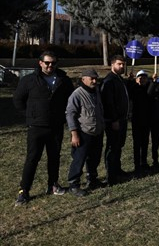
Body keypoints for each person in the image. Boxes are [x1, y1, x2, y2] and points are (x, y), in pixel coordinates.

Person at [13, 51, 74, 206]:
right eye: (47, 63)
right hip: (36, 127)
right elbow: (18, 100)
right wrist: (30, 116)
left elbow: (70, 100)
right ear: (40, 63)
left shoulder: (64, 80)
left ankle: (53, 185)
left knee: (54, 157)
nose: (50, 66)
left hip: (55, 126)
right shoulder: (29, 80)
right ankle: (24, 191)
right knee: (32, 159)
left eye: (53, 63)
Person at [65, 69, 104, 196]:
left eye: (95, 78)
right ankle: (73, 184)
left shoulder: (96, 92)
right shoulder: (77, 94)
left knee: (95, 157)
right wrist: (74, 134)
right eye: (91, 78)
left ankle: (92, 179)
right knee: (79, 159)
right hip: (83, 132)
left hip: (97, 131)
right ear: (83, 79)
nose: (94, 81)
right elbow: (70, 115)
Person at [101, 55, 130, 185]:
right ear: (112, 65)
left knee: (119, 145)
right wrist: (114, 120)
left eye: (123, 64)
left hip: (122, 119)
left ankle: (117, 170)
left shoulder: (119, 79)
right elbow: (108, 103)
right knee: (112, 147)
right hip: (114, 120)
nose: (122, 66)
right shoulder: (109, 80)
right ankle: (110, 175)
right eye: (119, 64)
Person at [129, 70, 153, 176]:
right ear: (136, 79)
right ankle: (137, 164)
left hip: (146, 120)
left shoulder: (148, 88)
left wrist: (153, 81)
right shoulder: (134, 88)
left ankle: (144, 162)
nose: (142, 79)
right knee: (137, 144)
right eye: (140, 77)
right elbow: (129, 92)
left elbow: (150, 93)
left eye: (144, 78)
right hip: (136, 120)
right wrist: (130, 82)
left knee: (144, 143)